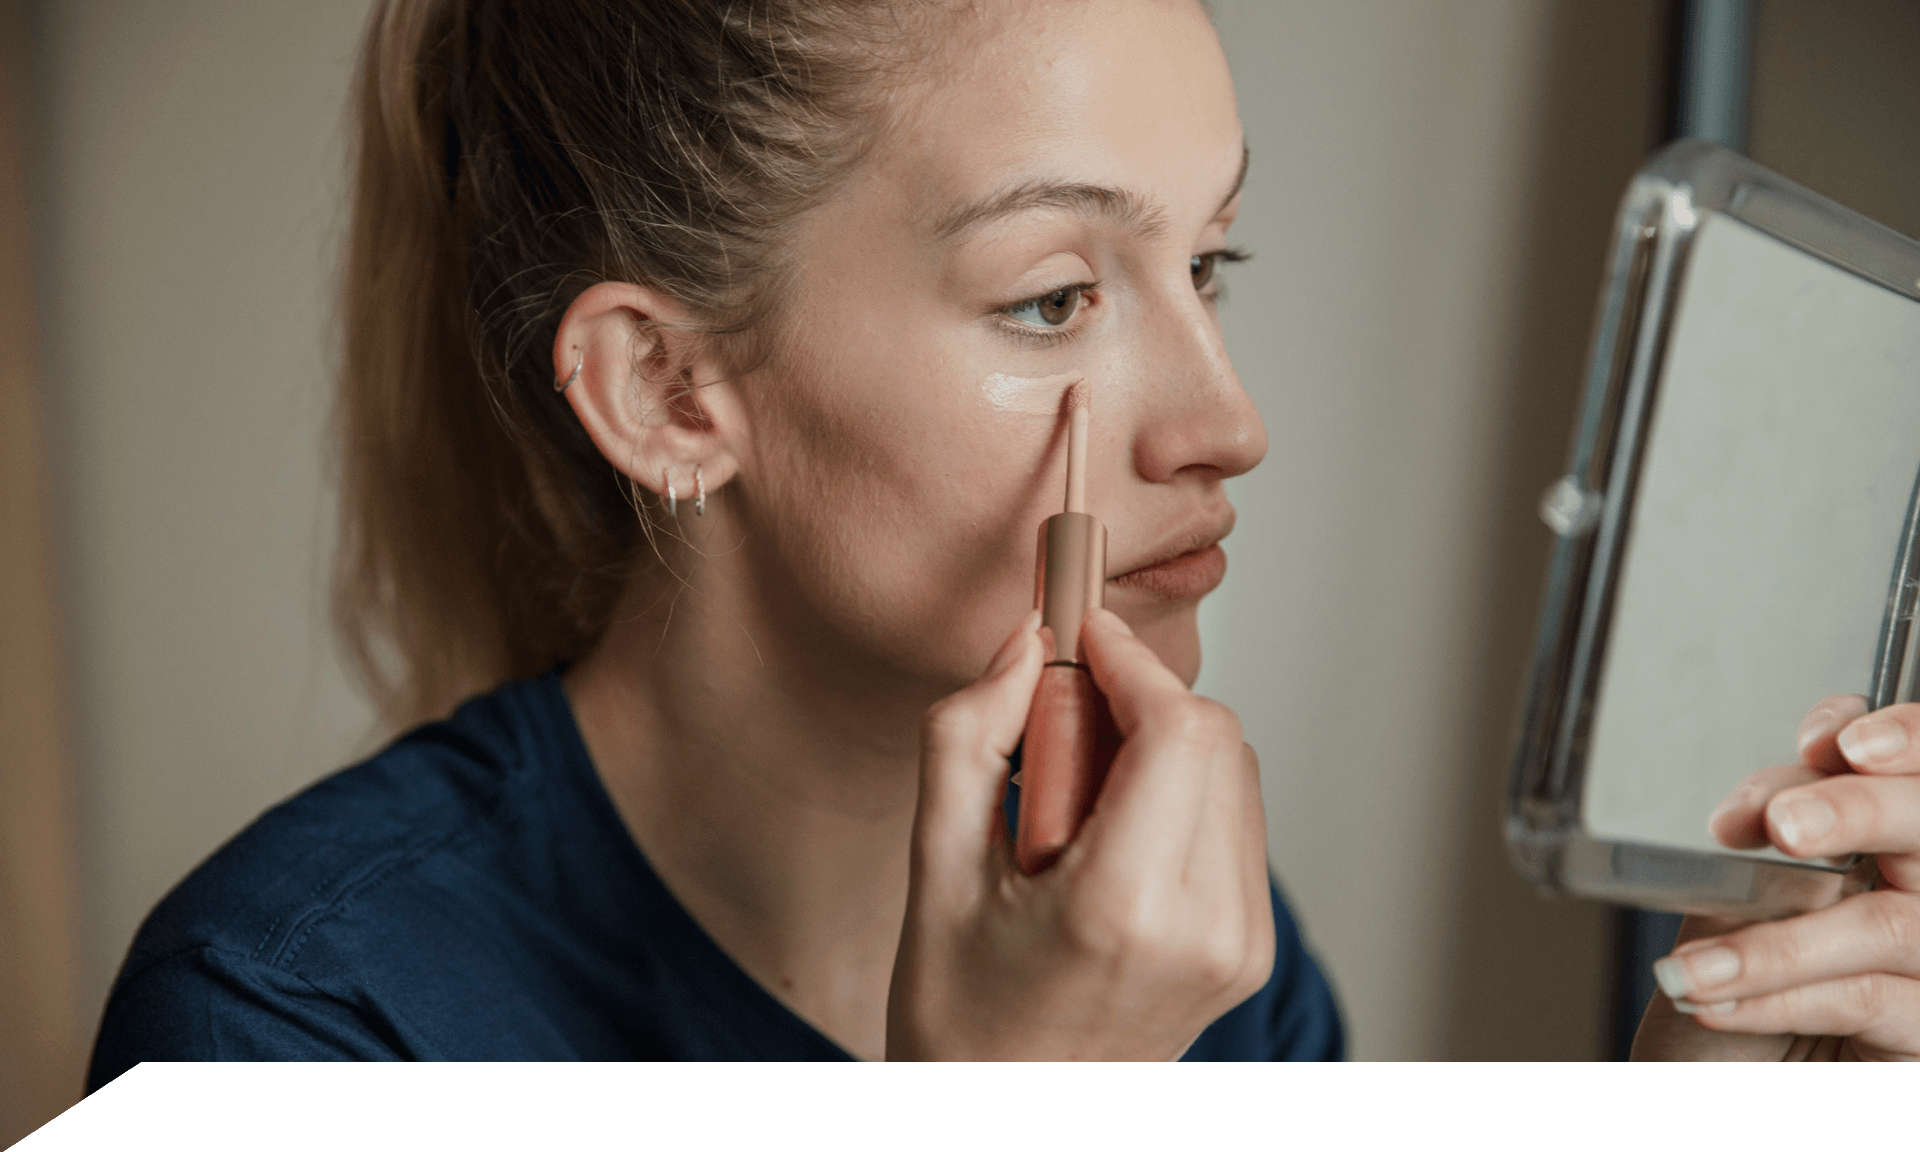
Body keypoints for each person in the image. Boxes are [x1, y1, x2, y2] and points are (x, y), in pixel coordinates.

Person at [88, 0, 1920, 1074]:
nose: (1229, 422)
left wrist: (1723, 1087)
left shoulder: (1185, 938)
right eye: (1054, 297)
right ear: (667, 392)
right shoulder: (285, 1026)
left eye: (1209, 263)